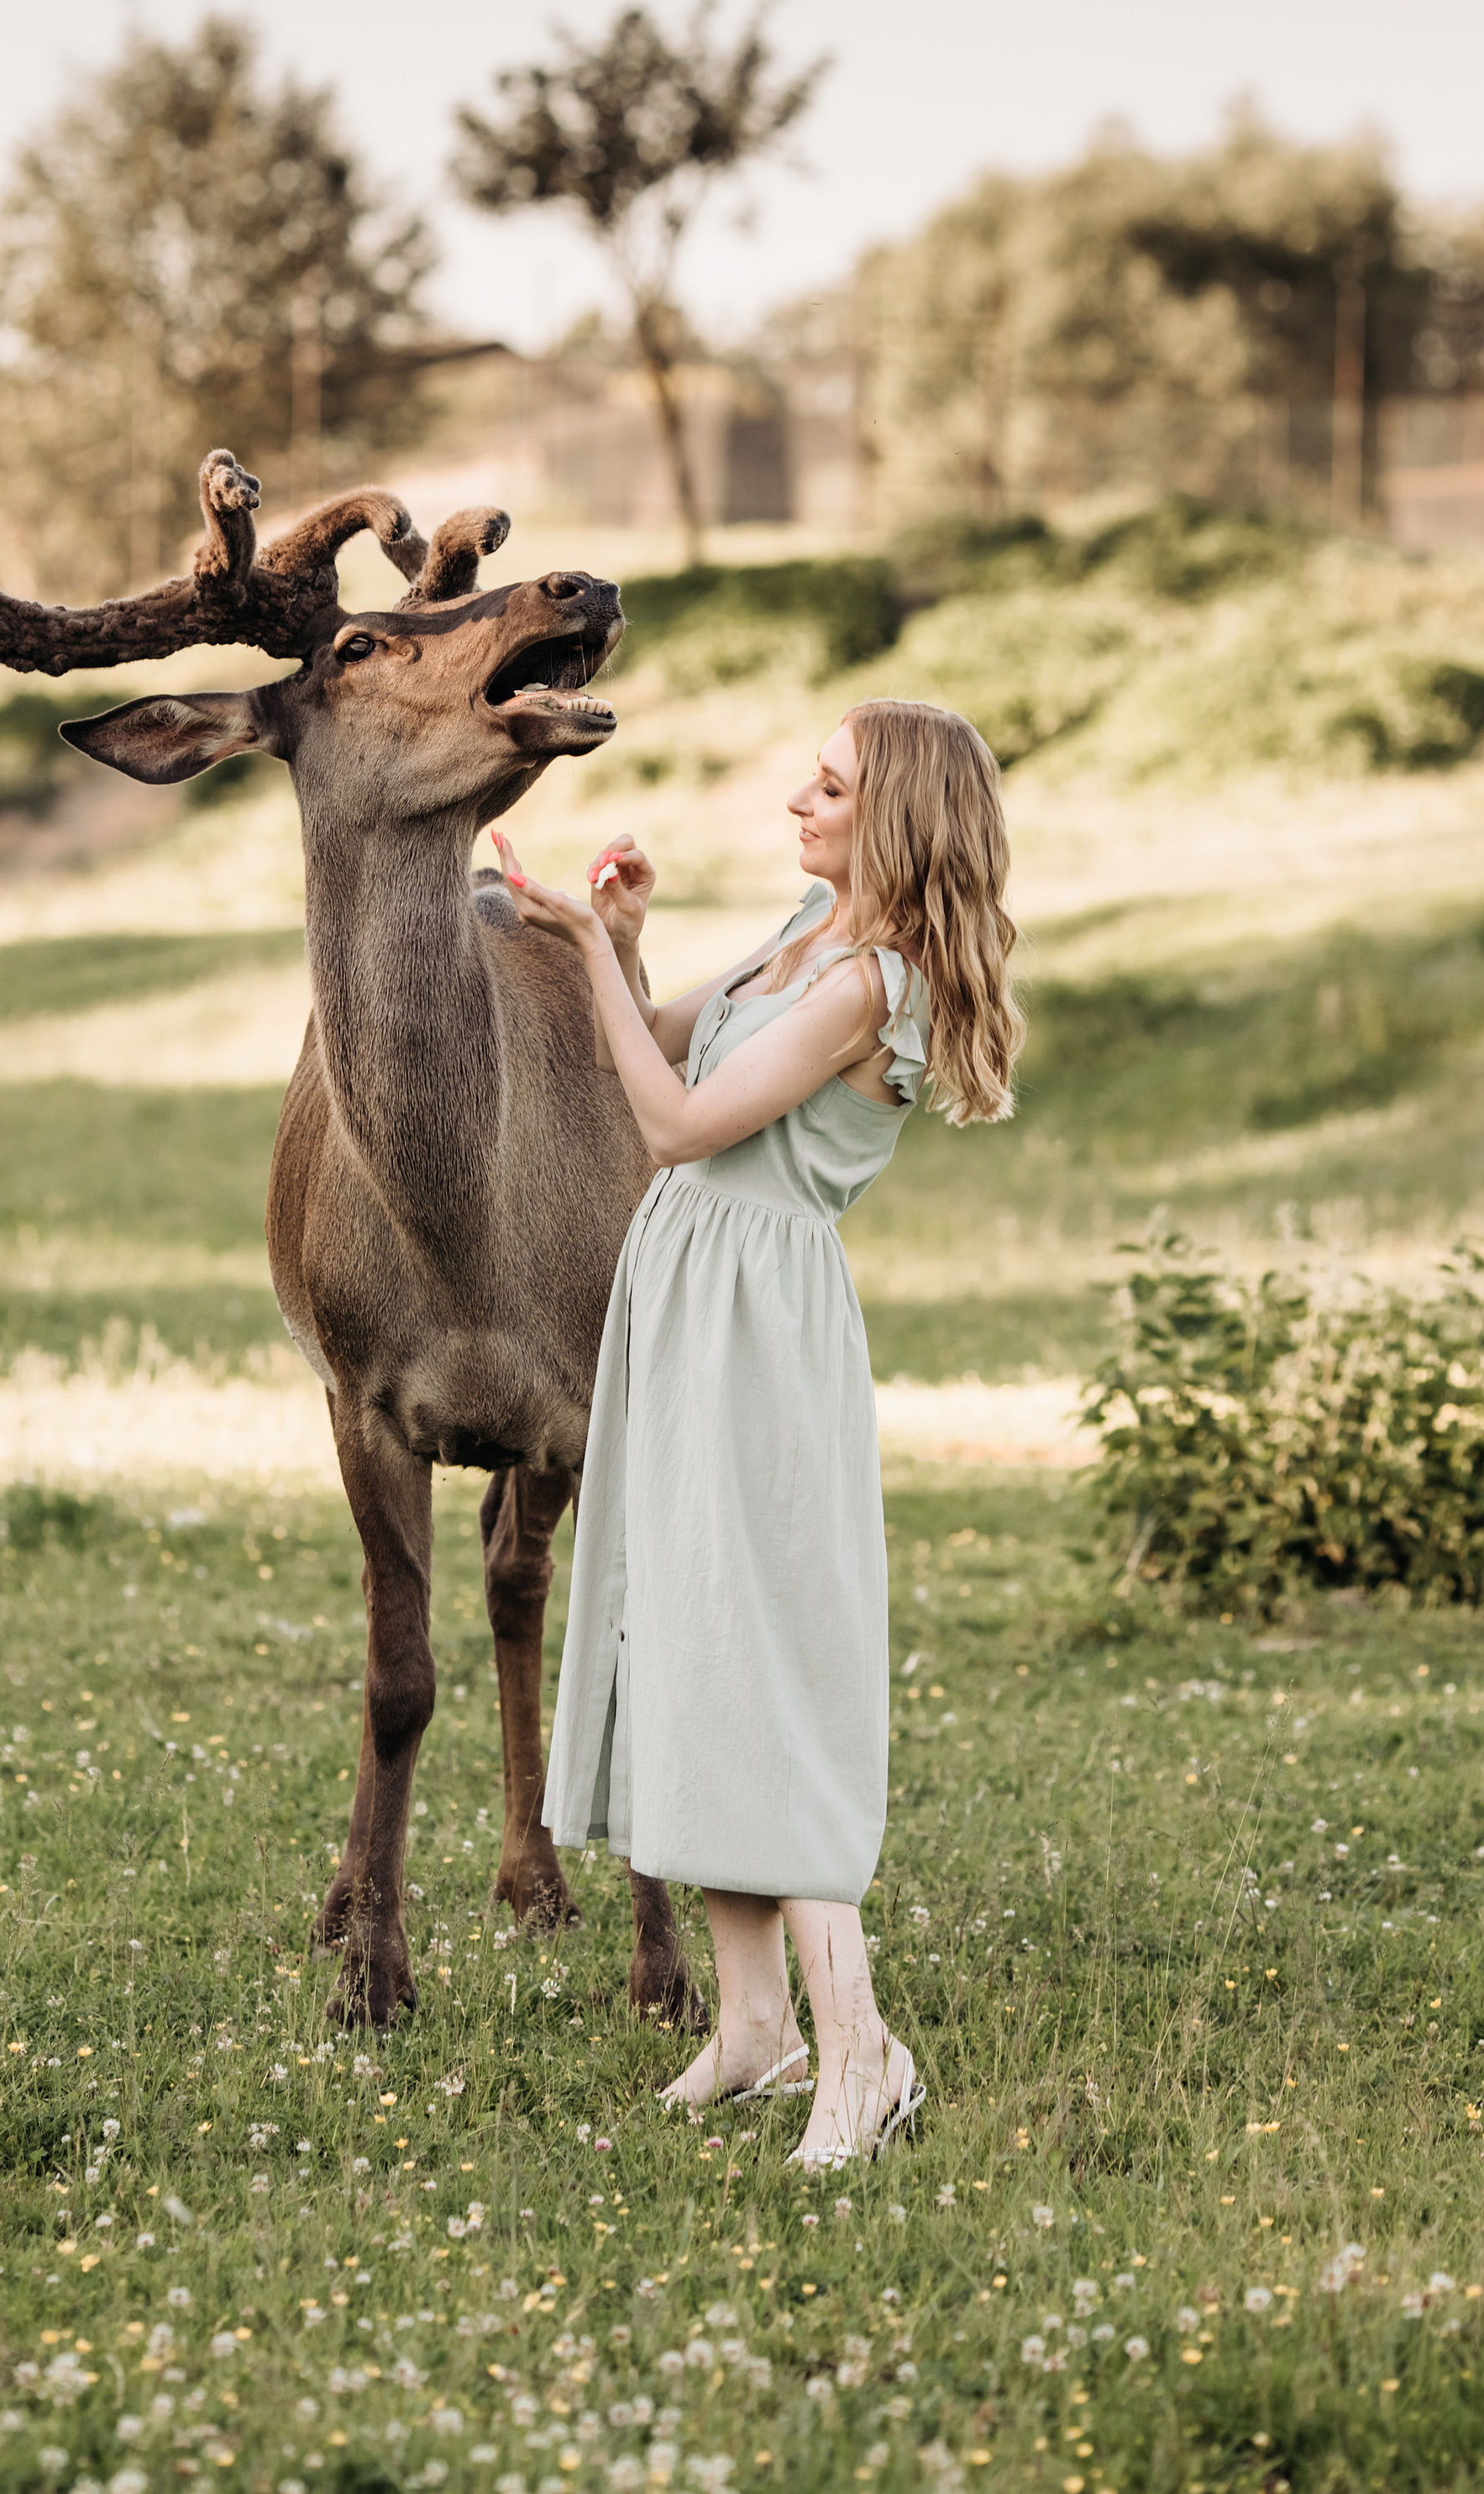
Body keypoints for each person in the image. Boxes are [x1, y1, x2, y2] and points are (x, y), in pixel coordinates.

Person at [493, 697, 1023, 2169]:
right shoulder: (804, 926)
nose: (800, 798)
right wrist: (628, 939)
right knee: (689, 1642)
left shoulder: (872, 980)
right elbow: (668, 1050)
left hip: (758, 1318)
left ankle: (861, 2053)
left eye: (832, 785)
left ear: (897, 817)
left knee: (765, 1666)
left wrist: (582, 955)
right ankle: (754, 2028)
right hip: (680, 1289)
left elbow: (671, 1124)